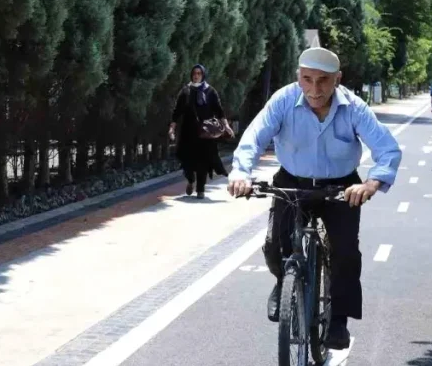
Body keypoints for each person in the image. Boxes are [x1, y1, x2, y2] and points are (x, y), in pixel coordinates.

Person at [227, 47, 401, 350]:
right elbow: (254, 136)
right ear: (298, 77)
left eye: (323, 80)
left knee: (345, 252)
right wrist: (240, 173)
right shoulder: (283, 100)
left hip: (341, 187)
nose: (315, 89)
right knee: (274, 243)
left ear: (338, 79)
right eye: (307, 80)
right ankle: (284, 284)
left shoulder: (355, 108)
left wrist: (371, 183)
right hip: (293, 181)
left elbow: (387, 149)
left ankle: (338, 321)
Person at [169, 64, 233, 199]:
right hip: (188, 133)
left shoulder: (210, 91)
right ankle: (191, 180)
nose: (196, 76)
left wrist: (226, 126)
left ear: (203, 75)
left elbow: (219, 110)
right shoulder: (185, 91)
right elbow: (177, 111)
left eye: (199, 73)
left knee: (203, 161)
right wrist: (172, 128)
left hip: (205, 134)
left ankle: (200, 189)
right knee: (186, 159)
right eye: (194, 73)